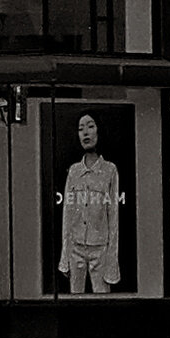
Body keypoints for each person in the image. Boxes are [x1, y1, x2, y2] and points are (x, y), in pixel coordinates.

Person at [56, 114, 123, 295]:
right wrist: (65, 257)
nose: (85, 132)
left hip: (100, 250)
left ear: (99, 130)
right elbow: (67, 216)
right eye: (80, 128)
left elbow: (113, 217)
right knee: (74, 300)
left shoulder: (110, 170)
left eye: (90, 126)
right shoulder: (74, 171)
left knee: (102, 300)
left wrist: (111, 261)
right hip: (75, 248)